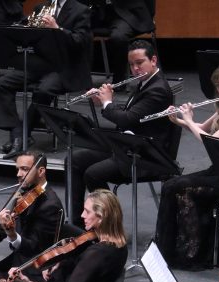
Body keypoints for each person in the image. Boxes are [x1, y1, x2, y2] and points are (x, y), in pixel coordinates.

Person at [153, 63, 219, 270]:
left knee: (180, 189)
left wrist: (189, 120)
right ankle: (169, 249)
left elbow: (212, 141)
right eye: (218, 86)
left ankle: (194, 253)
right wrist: (179, 120)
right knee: (171, 185)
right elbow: (202, 128)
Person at [69, 40, 174, 225]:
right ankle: (77, 223)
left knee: (93, 174)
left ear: (153, 60)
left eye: (139, 63)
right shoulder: (145, 82)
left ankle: (109, 226)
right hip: (127, 146)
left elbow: (127, 119)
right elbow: (131, 115)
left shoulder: (158, 89)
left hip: (146, 155)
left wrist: (107, 103)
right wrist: (103, 102)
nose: (135, 69)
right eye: (131, 65)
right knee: (75, 160)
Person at [0, 0, 92, 158]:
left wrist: (57, 29)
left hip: (66, 68)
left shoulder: (81, 10)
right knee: (0, 84)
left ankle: (22, 136)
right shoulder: (41, 7)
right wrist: (26, 29)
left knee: (44, 90)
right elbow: (32, 35)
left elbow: (80, 42)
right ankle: (18, 134)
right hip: (41, 64)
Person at [0, 151, 63, 274]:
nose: (18, 174)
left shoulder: (50, 206)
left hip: (33, 269)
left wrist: (12, 234)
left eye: (24, 169)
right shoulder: (25, 191)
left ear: (41, 171)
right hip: (17, 259)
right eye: (18, 169)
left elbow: (33, 249)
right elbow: (1, 228)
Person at [89, 0, 155, 83]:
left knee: (118, 37)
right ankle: (82, 82)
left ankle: (119, 81)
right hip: (98, 12)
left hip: (127, 14)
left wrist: (149, 15)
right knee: (80, 31)